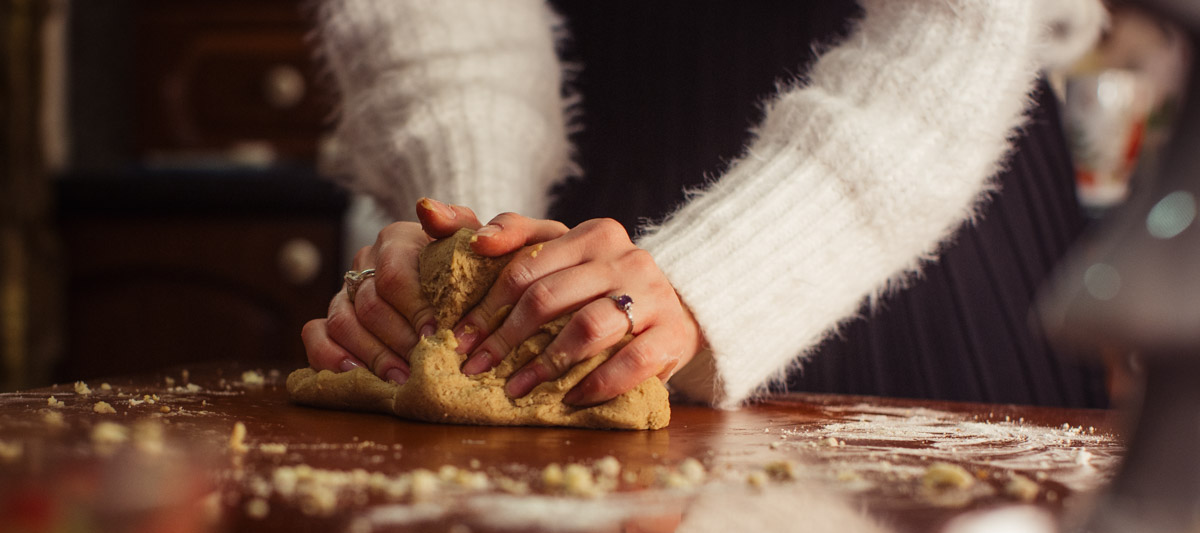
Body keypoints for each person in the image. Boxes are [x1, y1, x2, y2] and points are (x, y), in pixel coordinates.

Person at [301, 0, 1110, 411]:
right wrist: (480, 256)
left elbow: (963, 27)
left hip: (908, 230)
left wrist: (719, 279)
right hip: (574, 228)